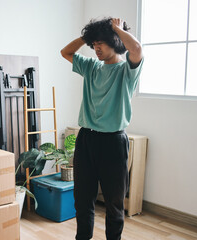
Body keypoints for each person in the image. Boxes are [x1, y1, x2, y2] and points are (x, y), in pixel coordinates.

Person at [60, 17, 143, 240]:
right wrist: (86, 37)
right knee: (83, 199)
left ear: (115, 42)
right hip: (86, 138)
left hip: (113, 142)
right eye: (93, 44)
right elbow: (65, 52)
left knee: (114, 203)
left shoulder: (127, 71)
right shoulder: (91, 67)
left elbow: (136, 48)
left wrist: (116, 29)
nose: (96, 48)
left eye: (101, 43)